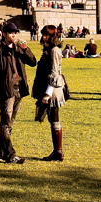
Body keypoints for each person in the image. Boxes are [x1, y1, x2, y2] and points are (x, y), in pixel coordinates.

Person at [0, 22, 36, 164]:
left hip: (20, 90)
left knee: (9, 123)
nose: (13, 35)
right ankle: (10, 155)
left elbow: (33, 62)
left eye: (15, 33)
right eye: (10, 33)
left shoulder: (20, 49)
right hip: (6, 90)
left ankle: (2, 153)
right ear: (4, 34)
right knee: (6, 122)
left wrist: (26, 49)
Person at [33, 25, 67, 161]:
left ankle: (58, 151)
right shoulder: (48, 49)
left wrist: (47, 94)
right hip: (50, 88)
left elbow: (54, 73)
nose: (44, 37)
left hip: (53, 90)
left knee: (54, 119)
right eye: (43, 34)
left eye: (46, 35)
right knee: (52, 119)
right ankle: (57, 151)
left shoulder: (54, 50)